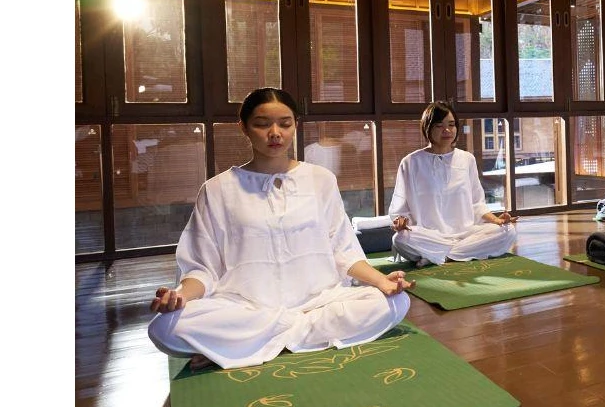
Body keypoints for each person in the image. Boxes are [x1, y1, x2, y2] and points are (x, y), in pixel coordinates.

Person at [147, 88, 413, 370]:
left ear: (295, 125)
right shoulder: (217, 190)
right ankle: (291, 334)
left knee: (396, 303)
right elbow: (202, 268)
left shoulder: (320, 179)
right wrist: (180, 297)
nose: (275, 133)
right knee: (164, 328)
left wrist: (381, 282)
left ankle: (247, 344)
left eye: (285, 124)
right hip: (246, 309)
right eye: (262, 124)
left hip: (318, 302)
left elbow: (343, 250)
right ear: (244, 128)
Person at [388, 101, 518, 266]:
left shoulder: (467, 159)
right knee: (401, 239)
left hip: (466, 234)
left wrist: (497, 221)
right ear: (427, 128)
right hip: (429, 236)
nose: (447, 130)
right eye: (439, 126)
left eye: (451, 124)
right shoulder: (411, 162)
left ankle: (438, 256)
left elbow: (477, 204)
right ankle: (458, 253)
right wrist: (401, 222)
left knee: (508, 232)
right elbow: (400, 208)